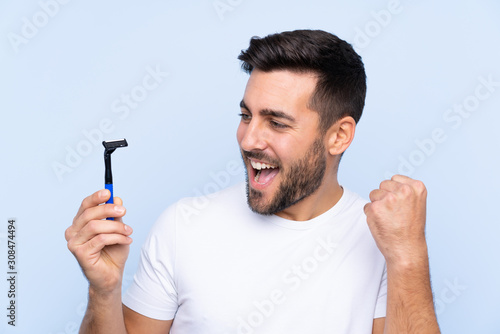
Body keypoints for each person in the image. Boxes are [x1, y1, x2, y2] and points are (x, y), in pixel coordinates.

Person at [65, 29, 440, 333]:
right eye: (246, 116)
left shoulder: (384, 244)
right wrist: (104, 290)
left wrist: (408, 256)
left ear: (338, 136)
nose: (248, 140)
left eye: (276, 123)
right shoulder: (183, 226)